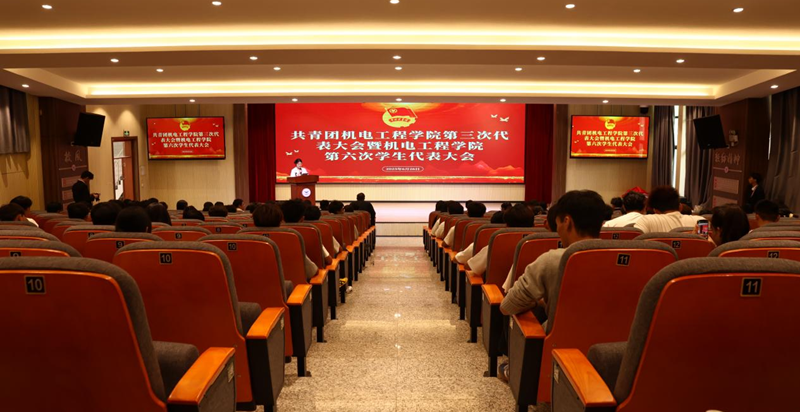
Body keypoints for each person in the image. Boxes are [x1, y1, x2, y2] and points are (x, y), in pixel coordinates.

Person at [500, 190, 606, 317]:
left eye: (557, 223)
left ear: (566, 221)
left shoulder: (553, 260)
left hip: (563, 330)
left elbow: (508, 306)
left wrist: (539, 302)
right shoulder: (623, 255)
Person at [254, 202, 319, 281]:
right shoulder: (291, 238)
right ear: (280, 220)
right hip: (291, 287)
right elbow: (312, 271)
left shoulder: (245, 237)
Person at [465, 204, 534, 277]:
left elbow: (470, 266)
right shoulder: (540, 245)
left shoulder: (496, 246)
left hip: (496, 285)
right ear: (533, 225)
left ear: (506, 225)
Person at [634, 186, 702, 233]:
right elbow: (706, 244)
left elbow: (636, 243)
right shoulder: (700, 221)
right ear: (680, 207)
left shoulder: (646, 221)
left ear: (655, 210)